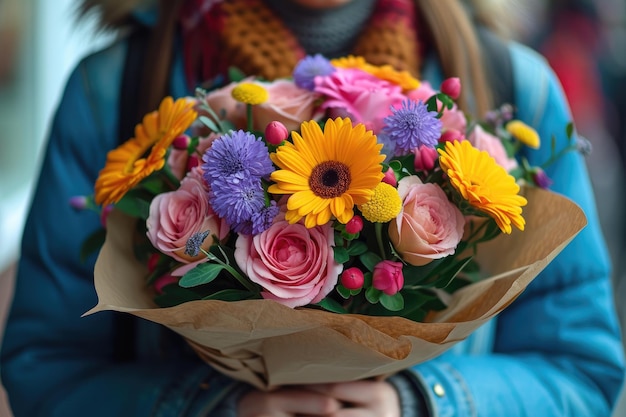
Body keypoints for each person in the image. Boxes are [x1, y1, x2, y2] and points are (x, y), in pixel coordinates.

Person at [1, 0, 623, 416]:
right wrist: (214, 405)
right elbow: (44, 368)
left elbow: (581, 371)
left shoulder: (514, 83)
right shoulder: (116, 85)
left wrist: (422, 399)